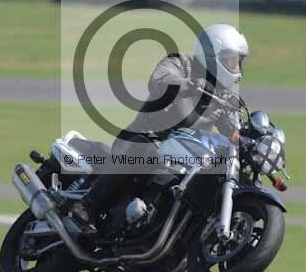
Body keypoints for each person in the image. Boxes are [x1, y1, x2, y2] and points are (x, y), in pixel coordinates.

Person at [73, 23, 249, 229]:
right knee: (147, 150)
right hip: (141, 140)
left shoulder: (223, 98)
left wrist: (251, 142)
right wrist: (190, 85)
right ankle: (88, 205)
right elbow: (159, 79)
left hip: (180, 159)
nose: (237, 68)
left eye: (239, 62)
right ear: (212, 56)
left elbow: (233, 131)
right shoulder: (181, 64)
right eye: (231, 60)